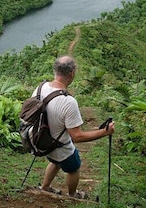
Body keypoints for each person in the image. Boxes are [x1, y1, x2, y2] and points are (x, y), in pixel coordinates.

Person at [35, 55, 115, 199]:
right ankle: (73, 195)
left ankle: (45, 187)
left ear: (55, 70)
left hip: (43, 141)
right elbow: (77, 136)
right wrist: (104, 132)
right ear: (72, 73)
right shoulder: (68, 102)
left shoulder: (40, 88)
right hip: (60, 146)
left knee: (55, 161)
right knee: (74, 167)